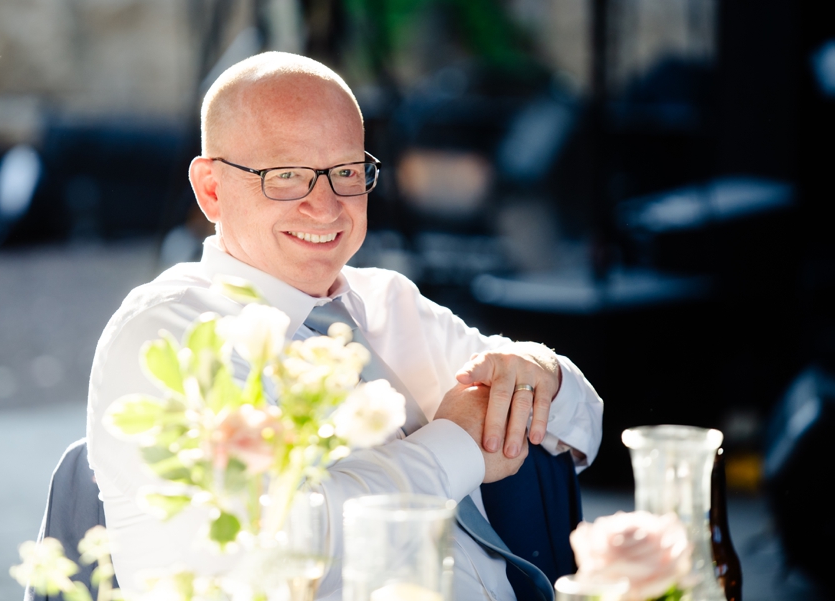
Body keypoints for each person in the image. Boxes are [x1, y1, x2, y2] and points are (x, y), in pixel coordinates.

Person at [86, 52, 603, 601]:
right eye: (285, 175)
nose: (326, 205)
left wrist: (539, 369)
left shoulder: (386, 302)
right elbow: (268, 560)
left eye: (347, 172)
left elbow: (581, 424)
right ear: (211, 189)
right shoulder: (167, 335)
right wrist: (454, 446)